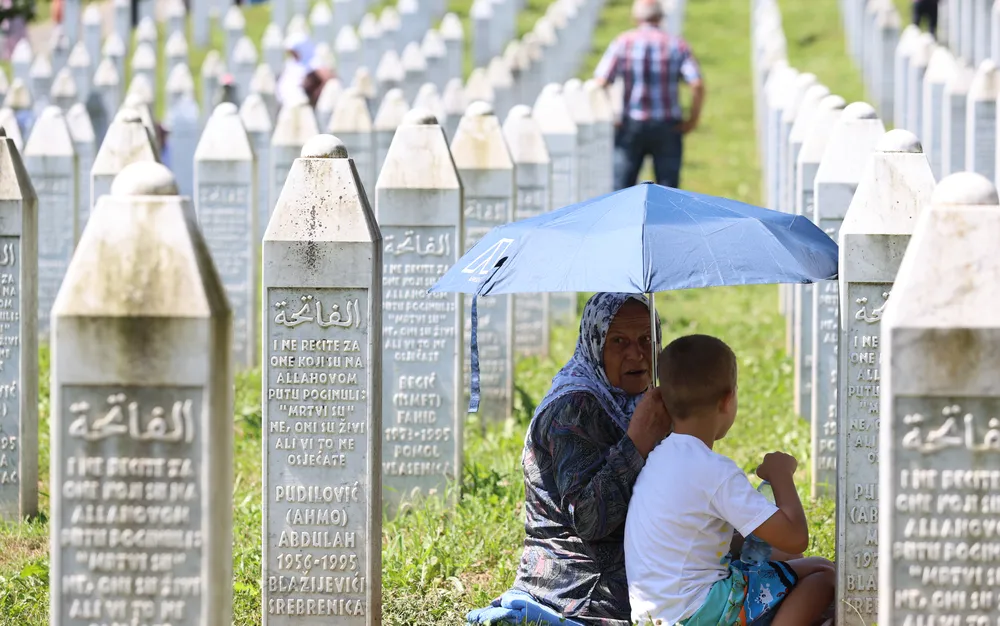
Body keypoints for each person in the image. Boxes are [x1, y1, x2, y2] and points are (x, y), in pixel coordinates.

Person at [467, 293, 673, 625]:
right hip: (581, 589)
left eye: (647, 339)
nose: (636, 353)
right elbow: (591, 521)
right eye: (618, 341)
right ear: (594, 344)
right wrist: (638, 442)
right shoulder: (574, 408)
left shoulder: (642, 402)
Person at [624, 335, 835, 625]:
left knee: (787, 554)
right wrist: (781, 475)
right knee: (823, 573)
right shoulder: (714, 471)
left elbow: (699, 541)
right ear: (727, 400)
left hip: (655, 614)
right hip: (699, 612)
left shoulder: (658, 457)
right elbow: (796, 534)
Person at [593, 0, 705, 191]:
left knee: (623, 188)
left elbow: (601, 81)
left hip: (631, 123)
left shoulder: (624, 42)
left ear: (635, 17)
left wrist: (611, 114)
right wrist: (692, 119)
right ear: (661, 17)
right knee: (669, 190)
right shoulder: (676, 44)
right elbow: (696, 84)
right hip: (668, 124)